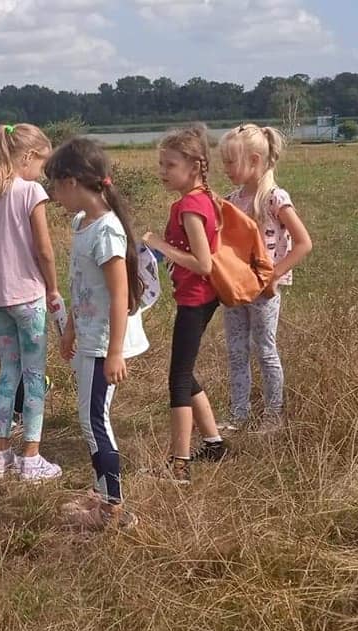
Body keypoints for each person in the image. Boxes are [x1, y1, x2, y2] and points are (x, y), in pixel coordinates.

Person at [47, 137, 147, 529]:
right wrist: (70, 329)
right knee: (91, 418)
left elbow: (119, 294)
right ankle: (100, 491)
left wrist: (115, 351)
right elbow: (81, 286)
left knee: (94, 421)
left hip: (104, 343)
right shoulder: (82, 224)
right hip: (89, 337)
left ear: (72, 182)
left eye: (56, 186)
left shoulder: (107, 232)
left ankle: (111, 508)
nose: (54, 196)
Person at [140, 124, 231, 484]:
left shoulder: (191, 206)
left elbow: (203, 263)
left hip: (196, 298)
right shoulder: (199, 198)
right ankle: (214, 444)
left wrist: (160, 245)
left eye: (170, 165)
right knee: (185, 370)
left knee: (178, 379)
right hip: (198, 297)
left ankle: (179, 465)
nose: (163, 171)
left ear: (194, 167)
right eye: (161, 164)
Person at [0, 123, 62, 481]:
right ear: (27, 157)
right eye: (41, 163)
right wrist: (53, 287)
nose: (42, 172)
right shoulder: (31, 191)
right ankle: (31, 455)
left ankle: (0, 454)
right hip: (28, 295)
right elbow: (44, 249)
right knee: (34, 374)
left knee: (7, 372)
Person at [218, 124, 314, 432]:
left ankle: (273, 416)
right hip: (236, 289)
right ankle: (239, 414)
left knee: (264, 350)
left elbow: (304, 243)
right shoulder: (230, 201)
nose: (225, 168)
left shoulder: (274, 198)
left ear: (254, 160)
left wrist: (275, 275)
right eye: (224, 161)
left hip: (264, 293)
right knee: (236, 351)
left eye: (231, 161)